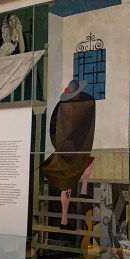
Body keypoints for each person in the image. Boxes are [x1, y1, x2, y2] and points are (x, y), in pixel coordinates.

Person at [40, 79, 95, 226]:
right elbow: (55, 127)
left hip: (76, 146)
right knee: (67, 182)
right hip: (67, 147)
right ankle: (64, 219)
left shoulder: (83, 102)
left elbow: (83, 124)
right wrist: (60, 143)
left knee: (88, 162)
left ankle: (83, 190)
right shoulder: (65, 106)